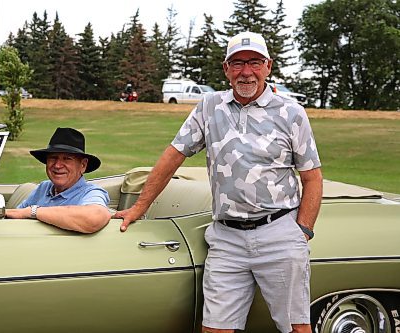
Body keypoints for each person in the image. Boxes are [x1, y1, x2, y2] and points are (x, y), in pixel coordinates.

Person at [114, 31, 323, 333]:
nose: (246, 71)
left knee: (296, 328)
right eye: (237, 63)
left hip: (280, 233)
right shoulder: (209, 107)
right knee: (215, 329)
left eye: (254, 62)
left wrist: (301, 231)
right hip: (227, 238)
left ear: (268, 66)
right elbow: (173, 156)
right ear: (226, 69)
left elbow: (312, 176)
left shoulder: (291, 113)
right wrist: (138, 207)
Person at [6, 127, 111, 234]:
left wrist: (33, 212)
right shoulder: (44, 188)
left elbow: (94, 217)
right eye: (53, 158)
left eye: (67, 158)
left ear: (83, 165)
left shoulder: (91, 192)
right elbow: (17, 216)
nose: (57, 165)